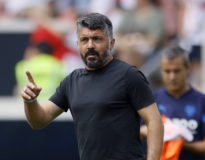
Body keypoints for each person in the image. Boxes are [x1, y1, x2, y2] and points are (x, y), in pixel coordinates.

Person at [20, 13, 163, 160]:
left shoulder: (128, 75)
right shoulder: (71, 81)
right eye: (84, 40)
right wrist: (30, 101)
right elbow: (39, 120)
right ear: (78, 45)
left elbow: (154, 121)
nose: (90, 45)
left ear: (112, 43)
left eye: (96, 39)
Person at [153, 45, 205, 160]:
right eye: (167, 71)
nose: (172, 76)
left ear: (187, 68)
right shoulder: (151, 100)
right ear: (161, 69)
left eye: (177, 71)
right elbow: (138, 132)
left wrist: (180, 143)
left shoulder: (204, 101)